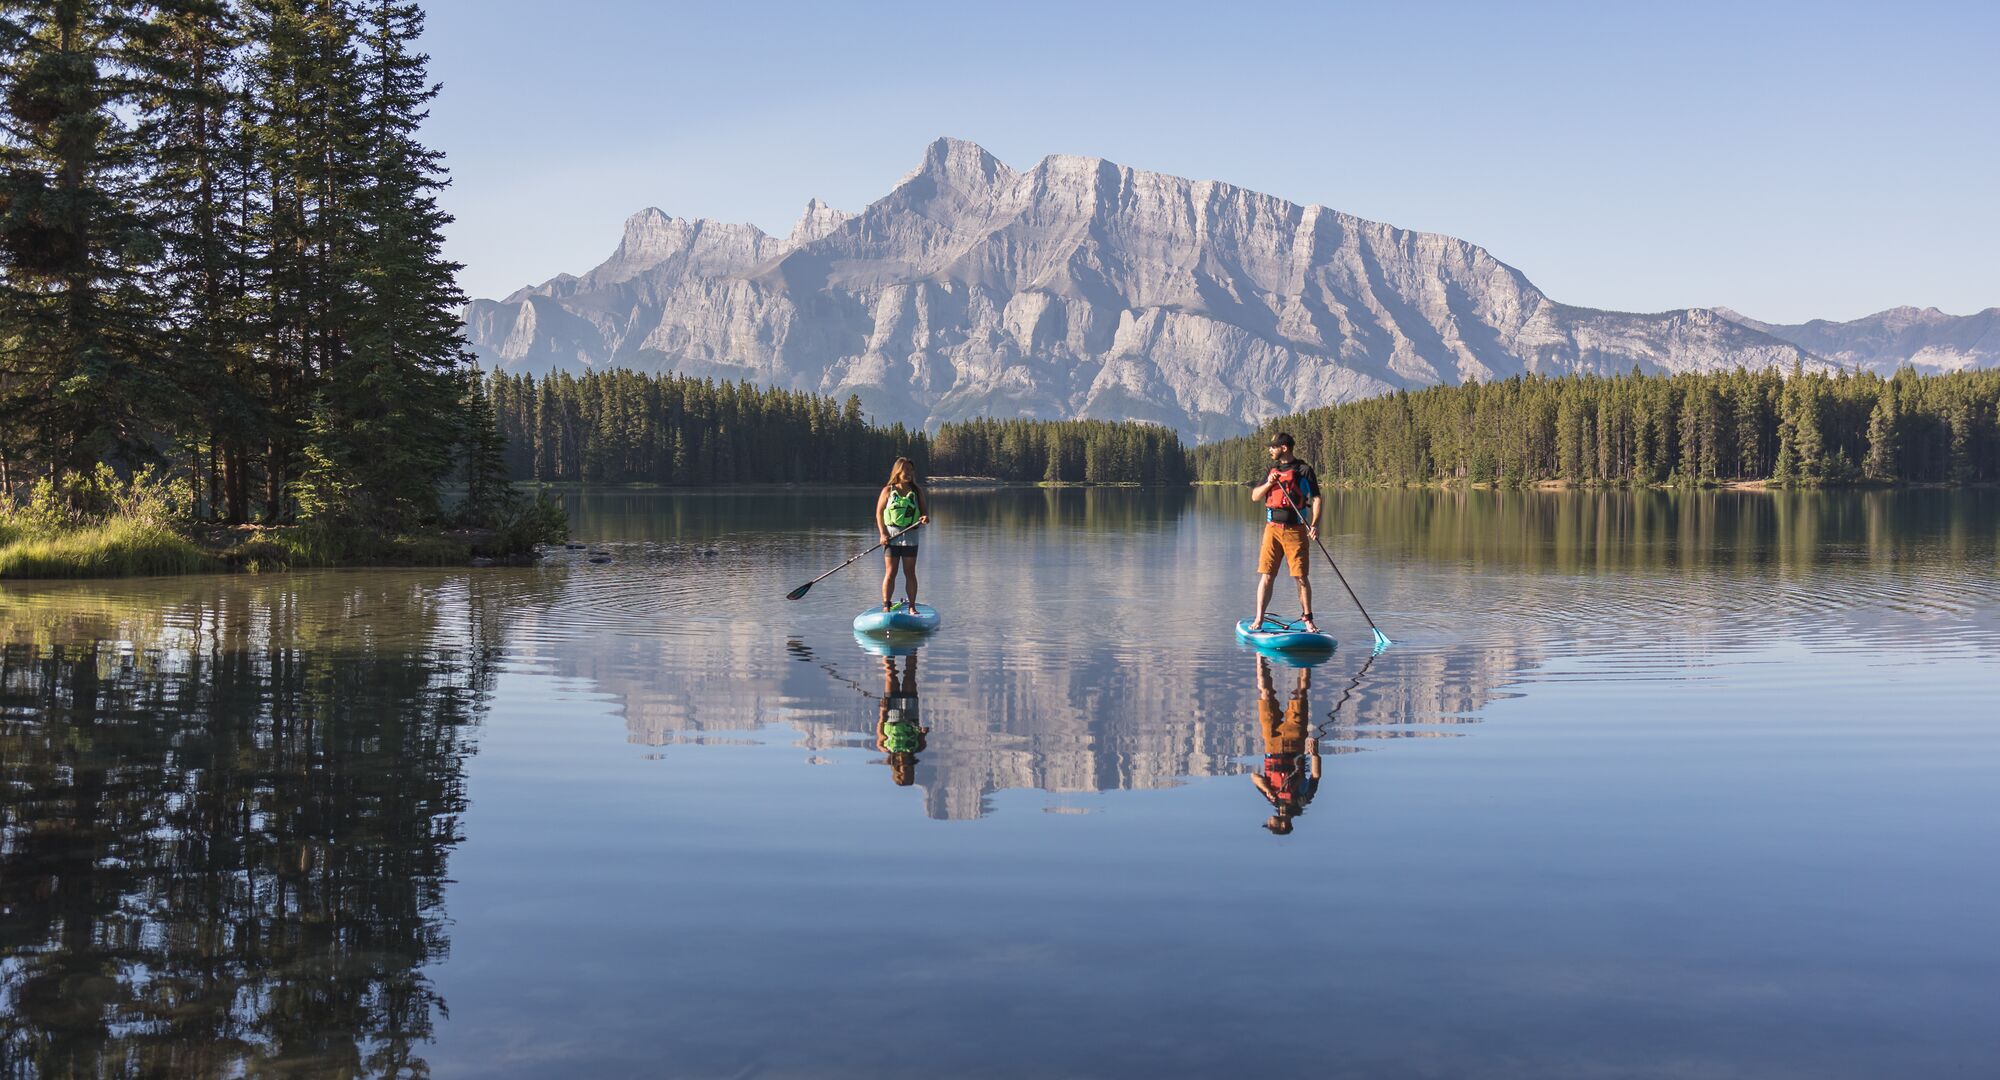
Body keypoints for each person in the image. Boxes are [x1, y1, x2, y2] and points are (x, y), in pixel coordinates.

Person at [1248, 432, 1322, 633]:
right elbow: (1255, 496)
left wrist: (1314, 524)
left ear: (1284, 448)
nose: (1270, 449)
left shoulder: (1304, 470)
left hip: (1296, 530)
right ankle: (1259, 619)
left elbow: (1316, 498)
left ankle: (1308, 619)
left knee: (1301, 577)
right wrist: (1270, 482)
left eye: (1273, 446)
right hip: (1272, 530)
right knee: (1267, 575)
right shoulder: (1271, 470)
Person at [1251, 655, 1321, 835]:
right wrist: (1315, 753)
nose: (1268, 820)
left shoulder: (1273, 801)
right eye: (1270, 823)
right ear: (1282, 825)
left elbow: (1254, 777)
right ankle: (1305, 659)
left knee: (1265, 694)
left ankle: (1260, 657)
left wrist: (1268, 791)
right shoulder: (1302, 801)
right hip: (1295, 743)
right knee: (1300, 693)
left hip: (1271, 744)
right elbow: (1315, 776)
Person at [875, 457, 929, 613]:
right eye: (906, 469)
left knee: (909, 572)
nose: (909, 473)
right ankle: (887, 606)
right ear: (898, 471)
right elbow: (879, 514)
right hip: (891, 536)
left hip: (910, 536)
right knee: (890, 572)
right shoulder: (887, 491)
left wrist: (925, 518)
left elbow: (925, 512)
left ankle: (912, 606)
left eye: (911, 470)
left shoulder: (917, 491)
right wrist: (883, 534)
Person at [875, 652, 928, 787]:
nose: (909, 771)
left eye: (906, 774)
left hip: (891, 712)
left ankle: (887, 647)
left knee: (890, 673)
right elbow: (923, 732)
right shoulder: (918, 748)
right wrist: (923, 731)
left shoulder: (884, 748)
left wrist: (882, 710)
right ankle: (912, 647)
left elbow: (880, 726)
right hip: (911, 713)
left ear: (897, 771)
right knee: (910, 674)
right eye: (910, 773)